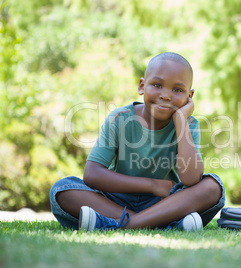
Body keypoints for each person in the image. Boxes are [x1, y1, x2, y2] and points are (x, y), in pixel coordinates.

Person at [49, 52, 225, 231]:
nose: (166, 95)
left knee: (213, 187)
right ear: (142, 86)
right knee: (62, 189)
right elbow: (92, 174)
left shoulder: (189, 124)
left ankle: (120, 224)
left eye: (178, 90)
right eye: (157, 85)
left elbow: (191, 179)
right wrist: (153, 185)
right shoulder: (120, 118)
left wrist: (180, 120)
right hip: (116, 199)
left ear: (190, 96)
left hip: (165, 202)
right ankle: (165, 224)